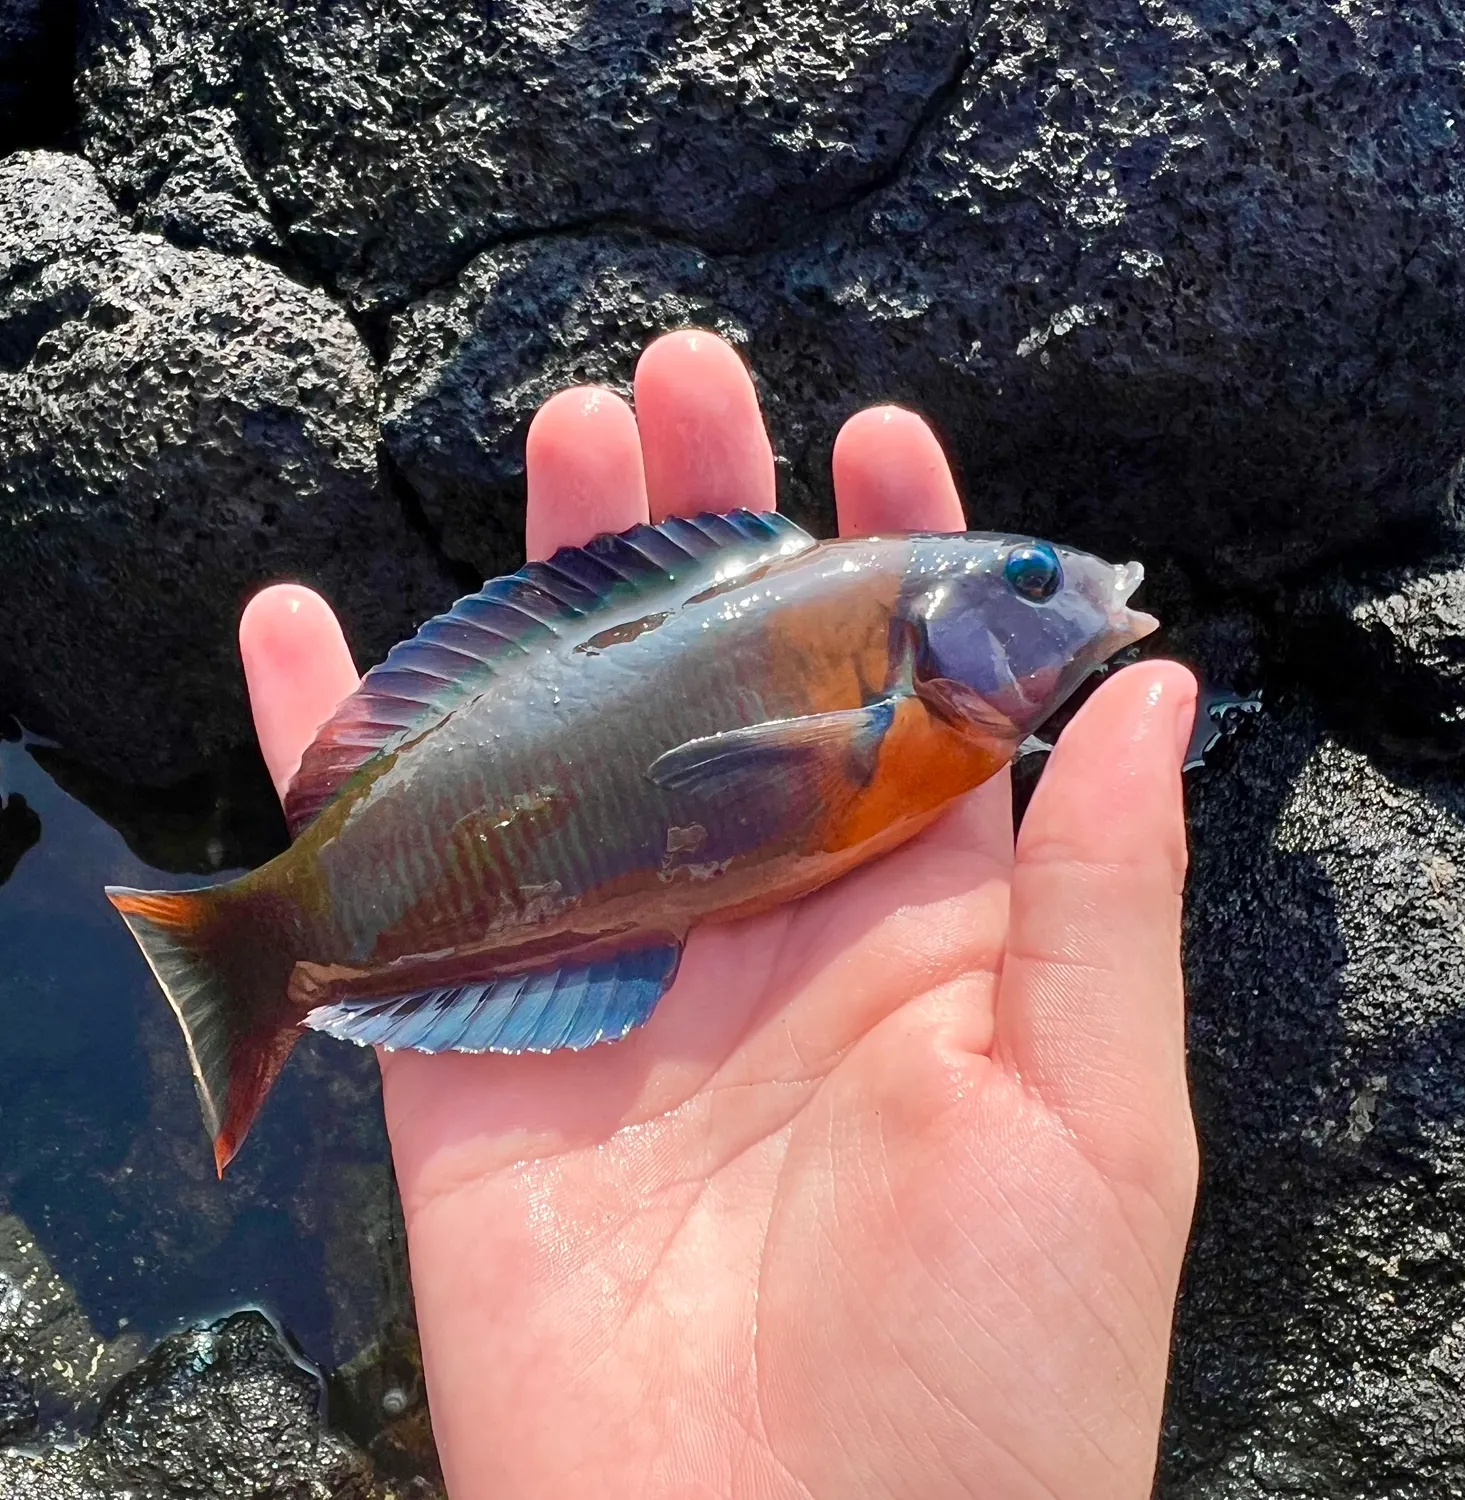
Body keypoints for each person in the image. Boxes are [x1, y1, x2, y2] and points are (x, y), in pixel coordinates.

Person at [239, 329, 1201, 1499]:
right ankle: (248, 956)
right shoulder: (904, 696)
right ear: (934, 623)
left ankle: (261, 954)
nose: (1071, 591)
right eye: (1034, 580)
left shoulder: (932, 725)